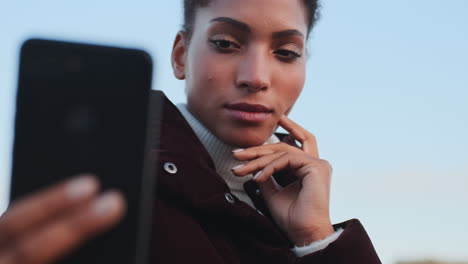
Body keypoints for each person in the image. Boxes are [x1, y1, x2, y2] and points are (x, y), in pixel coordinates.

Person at [0, 0, 381, 263]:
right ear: (181, 55)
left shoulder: (298, 201)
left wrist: (317, 238)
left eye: (285, 52)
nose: (256, 77)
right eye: (226, 43)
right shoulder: (108, 186)